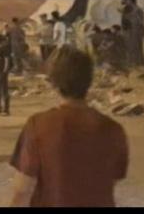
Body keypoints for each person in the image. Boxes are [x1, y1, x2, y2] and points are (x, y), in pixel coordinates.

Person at [8, 46, 129, 207]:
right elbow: (112, 179)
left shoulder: (39, 125)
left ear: (54, 83)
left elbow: (22, 188)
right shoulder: (113, 130)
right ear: (89, 81)